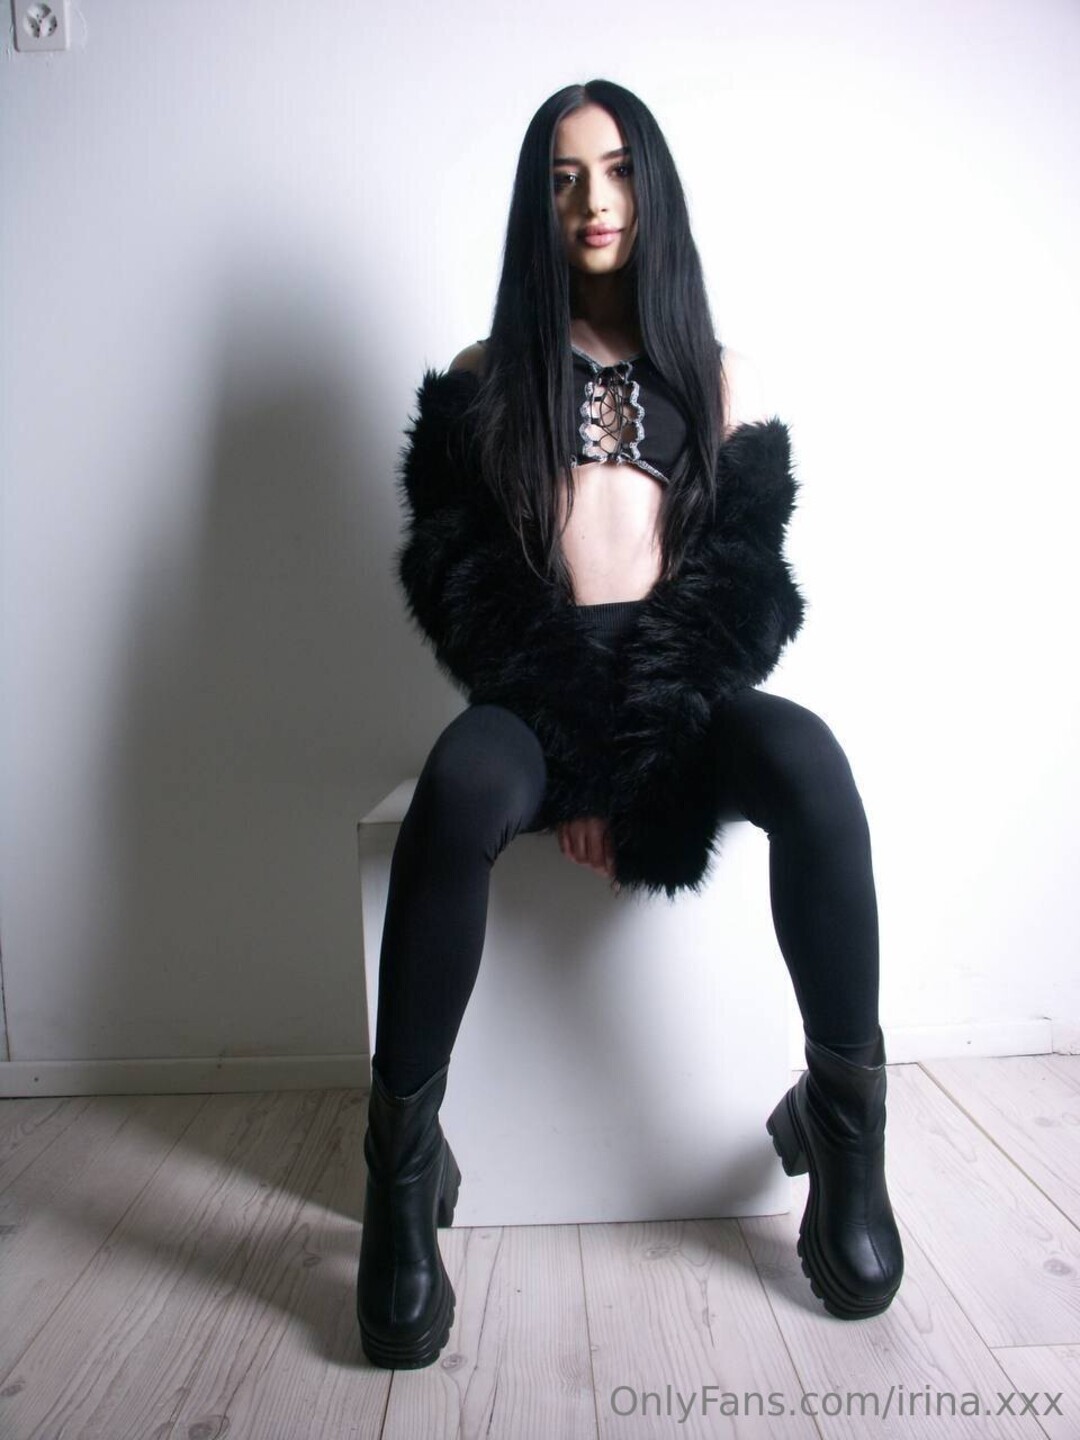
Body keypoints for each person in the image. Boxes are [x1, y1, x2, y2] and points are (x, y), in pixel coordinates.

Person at [356, 78, 903, 1371]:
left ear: (650, 189)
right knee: (460, 783)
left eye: (613, 171)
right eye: (562, 179)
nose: (592, 201)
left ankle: (845, 1126)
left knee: (812, 759)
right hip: (538, 693)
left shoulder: (719, 377)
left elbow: (745, 596)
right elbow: (462, 588)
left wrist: (646, 756)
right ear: (536, 206)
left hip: (683, 695)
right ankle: (400, 1168)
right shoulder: (486, 379)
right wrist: (580, 759)